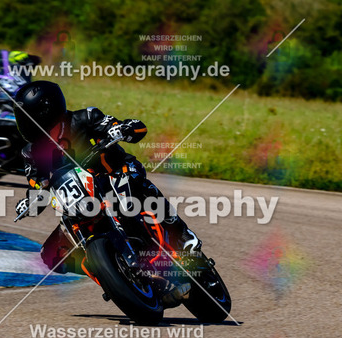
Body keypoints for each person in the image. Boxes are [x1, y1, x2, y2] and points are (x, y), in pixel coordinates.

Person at [12, 81, 202, 275]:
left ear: (48, 112)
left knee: (133, 189)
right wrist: (32, 200)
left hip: (116, 171)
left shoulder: (85, 118)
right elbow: (37, 183)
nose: (26, 125)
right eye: (23, 119)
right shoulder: (31, 152)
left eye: (30, 118)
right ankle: (110, 271)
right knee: (51, 256)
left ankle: (183, 235)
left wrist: (122, 129)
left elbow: (128, 127)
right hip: (82, 196)